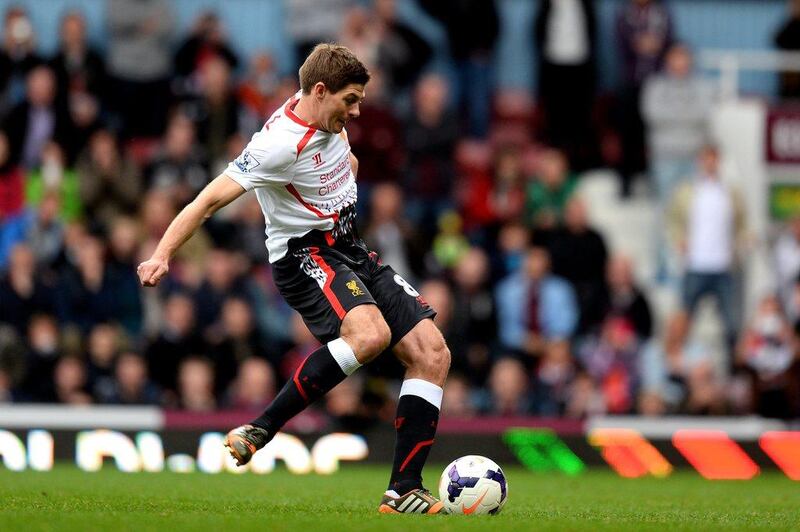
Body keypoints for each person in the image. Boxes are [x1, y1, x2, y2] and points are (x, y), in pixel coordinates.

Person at [137, 44, 450, 514]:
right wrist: (161, 254)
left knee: (433, 352)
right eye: (350, 99)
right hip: (304, 255)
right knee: (370, 335)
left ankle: (403, 488)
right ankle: (262, 427)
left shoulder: (324, 117)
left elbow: (341, 163)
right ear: (321, 92)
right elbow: (206, 201)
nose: (358, 110)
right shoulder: (276, 145)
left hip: (350, 247)